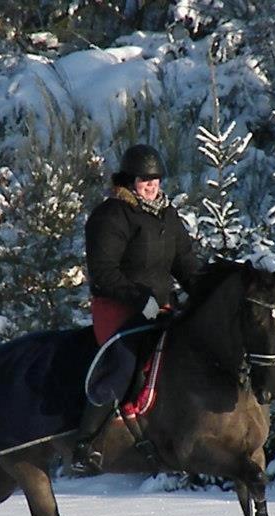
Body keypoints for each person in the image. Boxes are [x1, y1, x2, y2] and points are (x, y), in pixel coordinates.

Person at [71, 143, 204, 474]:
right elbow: (104, 272)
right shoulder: (111, 215)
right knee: (123, 366)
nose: (152, 185)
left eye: (156, 179)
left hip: (160, 307)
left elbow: (186, 265)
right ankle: (85, 443)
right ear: (129, 181)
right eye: (145, 179)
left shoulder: (168, 216)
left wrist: (205, 293)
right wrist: (138, 298)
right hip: (118, 306)